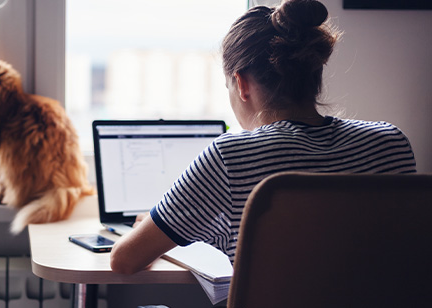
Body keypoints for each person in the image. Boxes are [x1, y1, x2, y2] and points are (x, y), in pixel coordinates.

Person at [110, 0, 417, 275]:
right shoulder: (390, 143)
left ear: (241, 84)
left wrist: (154, 229)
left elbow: (124, 260)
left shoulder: (230, 157)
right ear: (314, 73)